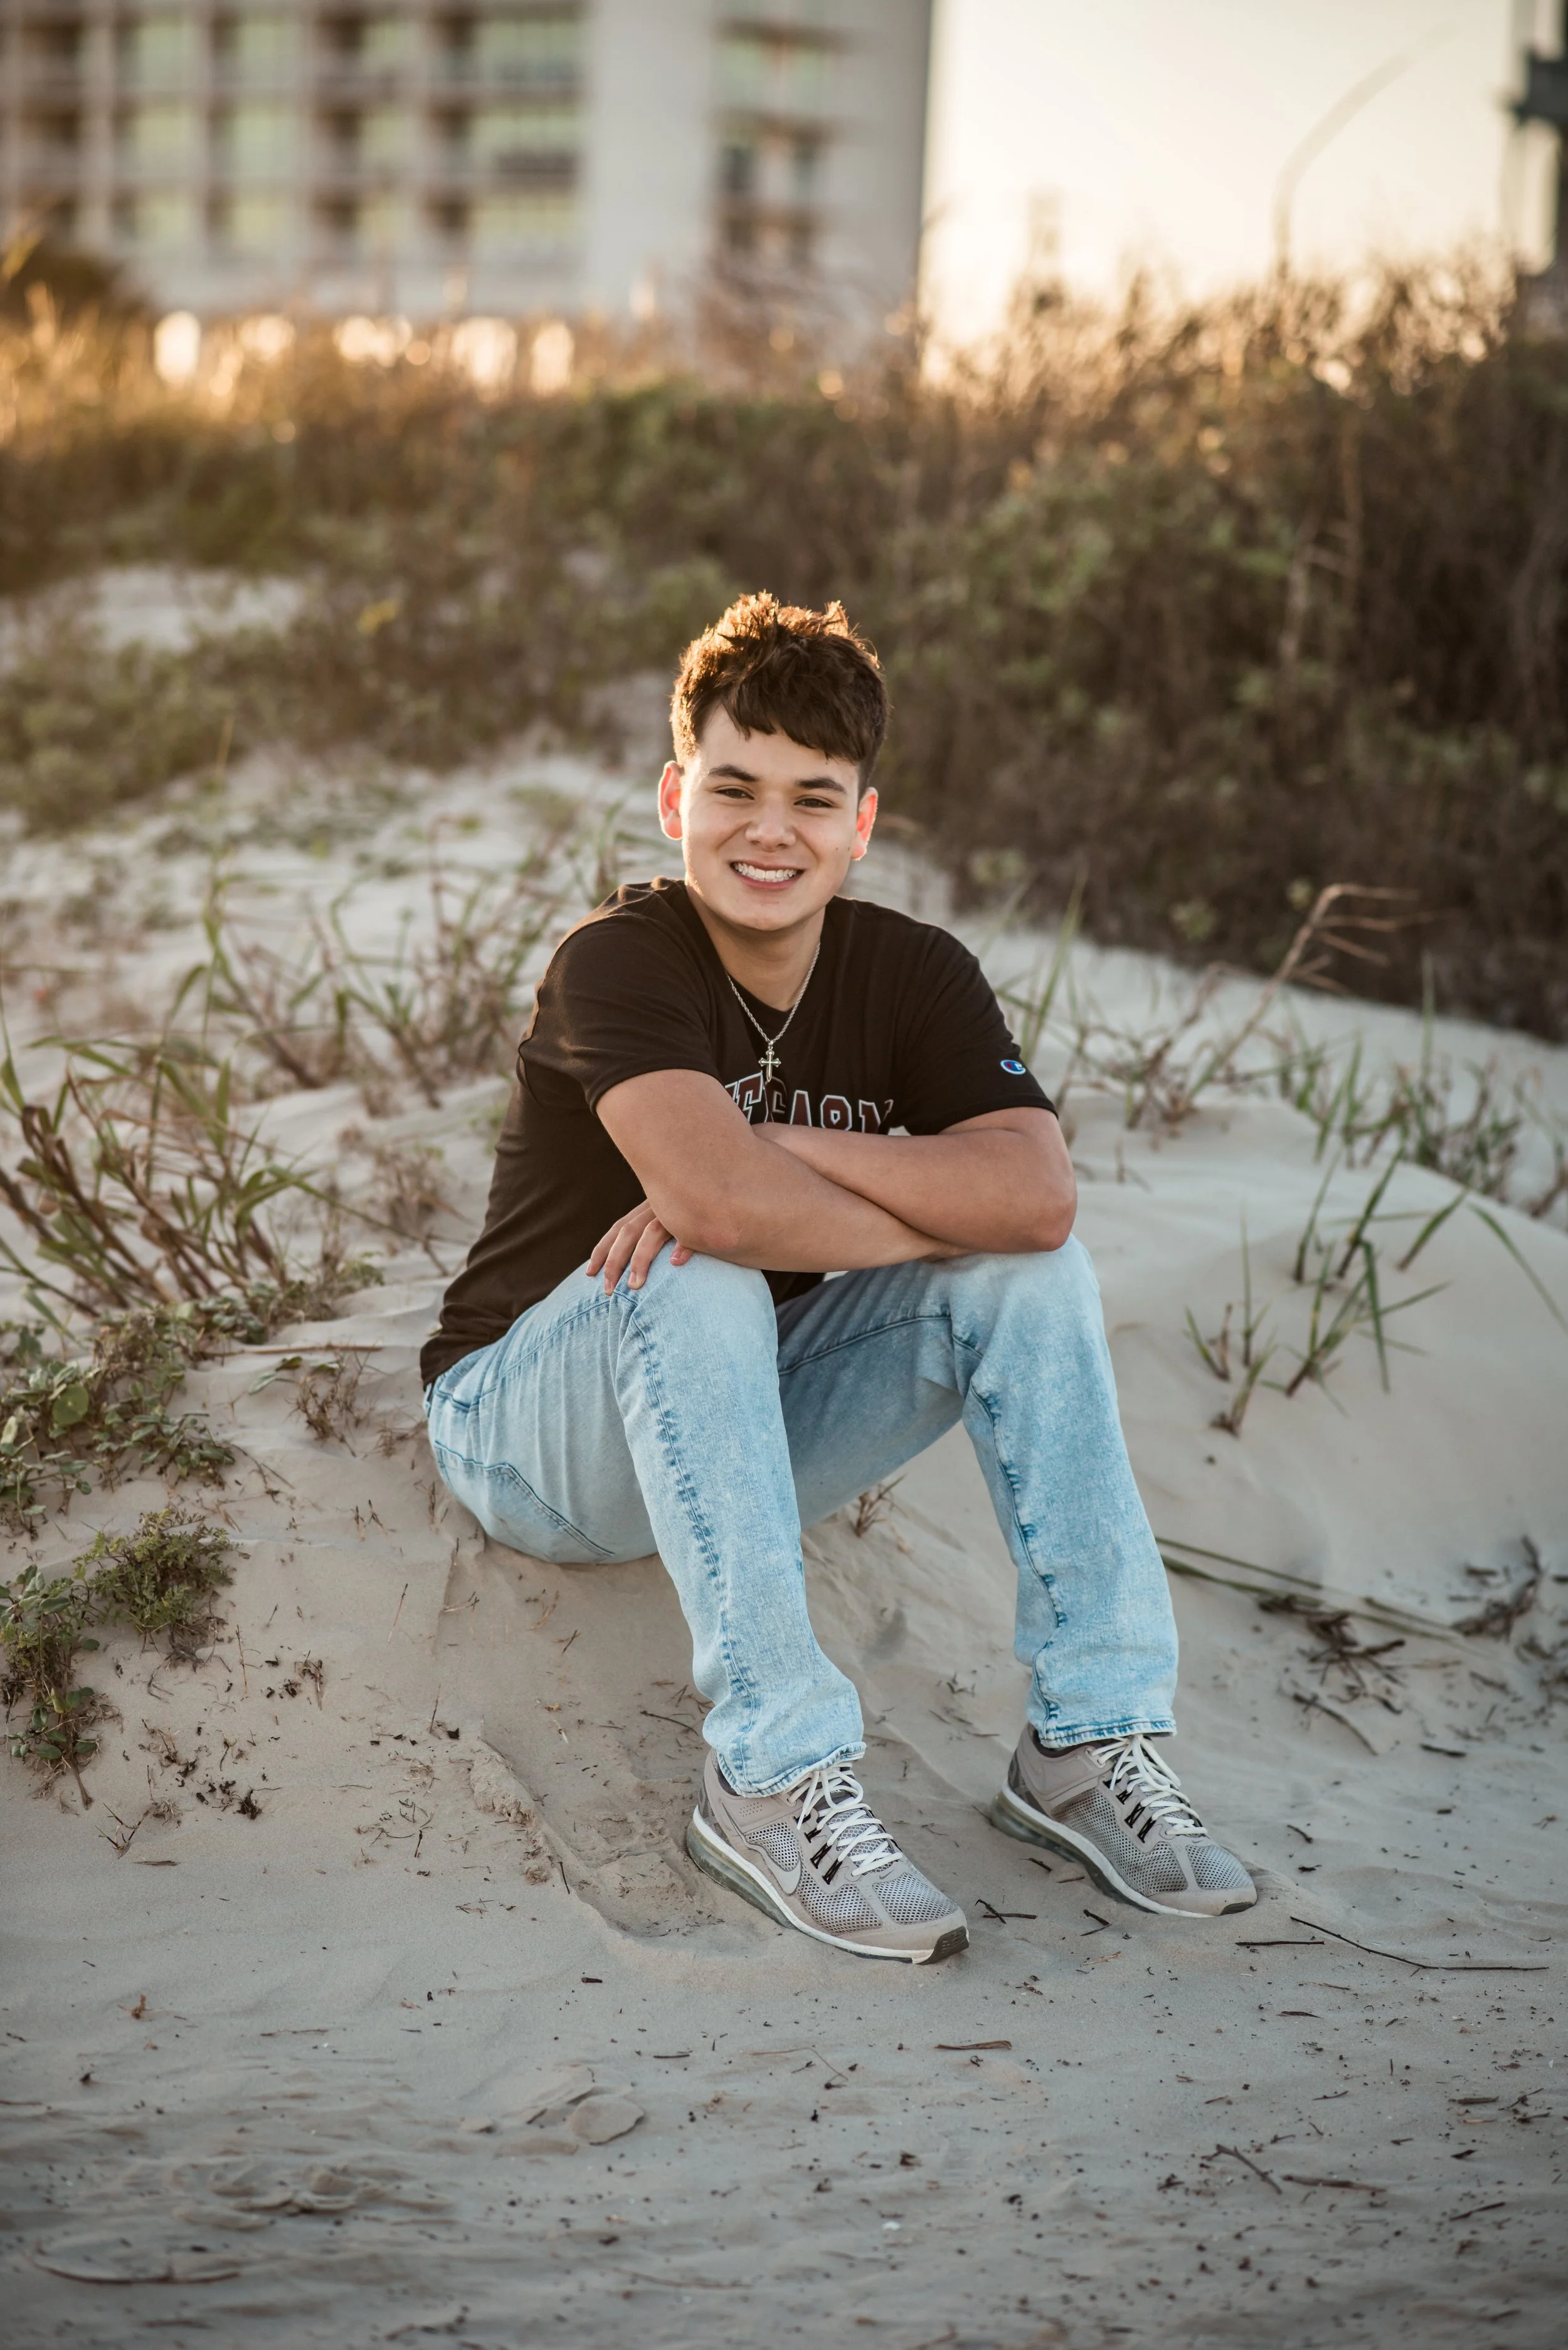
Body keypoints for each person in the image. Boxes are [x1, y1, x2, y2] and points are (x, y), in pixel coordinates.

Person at [421, 593, 1256, 1964]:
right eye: (733, 787)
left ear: (859, 825)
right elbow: (713, 1207)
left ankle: (1087, 1741)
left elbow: (1039, 1202)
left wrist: (782, 1144)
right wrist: (885, 1200)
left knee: (1027, 1282)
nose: (768, 830)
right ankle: (771, 1774)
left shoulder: (915, 975)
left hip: (731, 1423)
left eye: (813, 799)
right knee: (690, 1268)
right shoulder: (616, 961)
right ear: (672, 795)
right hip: (528, 1433)